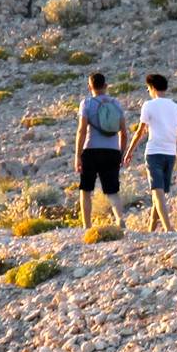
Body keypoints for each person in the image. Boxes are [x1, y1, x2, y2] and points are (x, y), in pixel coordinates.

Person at [123, 73, 177, 232]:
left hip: (154, 153)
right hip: (170, 154)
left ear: (152, 88)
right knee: (159, 193)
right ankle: (151, 230)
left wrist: (129, 151)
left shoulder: (148, 105)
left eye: (148, 88)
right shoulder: (176, 107)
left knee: (157, 192)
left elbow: (140, 132)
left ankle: (168, 228)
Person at [73, 72, 128, 233]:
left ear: (90, 86)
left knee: (86, 189)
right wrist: (121, 153)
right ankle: (119, 218)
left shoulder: (87, 104)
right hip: (112, 151)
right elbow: (123, 132)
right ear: (106, 86)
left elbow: (82, 131)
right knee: (112, 190)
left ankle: (87, 225)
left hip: (91, 150)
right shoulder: (116, 104)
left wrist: (78, 155)